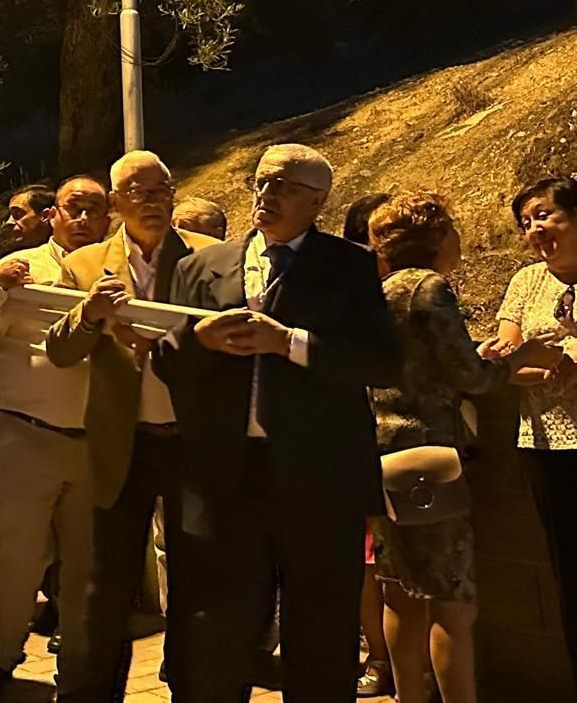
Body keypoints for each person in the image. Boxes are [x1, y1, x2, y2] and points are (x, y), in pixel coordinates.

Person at [156, 143, 401, 703]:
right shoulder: (200, 267)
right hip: (226, 477)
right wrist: (199, 339)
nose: (266, 196)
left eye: (285, 187)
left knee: (321, 628)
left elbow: (380, 361)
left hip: (319, 477)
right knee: (220, 625)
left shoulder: (348, 266)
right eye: (262, 183)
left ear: (317, 202)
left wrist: (288, 343)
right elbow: (166, 361)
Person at [46, 152, 218, 702]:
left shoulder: (211, 258)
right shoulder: (85, 265)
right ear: (116, 203)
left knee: (196, 579)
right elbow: (61, 351)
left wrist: (169, 346)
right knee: (107, 584)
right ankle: (92, 692)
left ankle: (192, 686)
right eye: (139, 192)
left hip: (193, 441)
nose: (154, 202)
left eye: (163, 190)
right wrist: (90, 315)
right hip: (123, 443)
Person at [367, 193, 533, 703]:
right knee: (452, 601)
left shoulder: (377, 291)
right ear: (437, 236)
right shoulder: (429, 287)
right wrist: (517, 360)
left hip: (381, 453)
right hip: (430, 455)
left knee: (400, 593)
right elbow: (469, 376)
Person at [0, 174, 111, 695]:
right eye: (74, 207)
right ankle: (3, 658)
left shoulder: (117, 273)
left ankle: (75, 671)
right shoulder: (23, 269)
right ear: (53, 215)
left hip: (95, 444)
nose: (84, 218)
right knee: (21, 561)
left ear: (108, 217)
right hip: (26, 435)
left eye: (95, 209)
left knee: (83, 570)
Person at [484, 175, 577, 661]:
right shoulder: (526, 281)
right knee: (570, 571)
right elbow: (508, 361)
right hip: (549, 447)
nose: (535, 229)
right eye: (526, 222)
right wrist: (533, 364)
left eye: (544, 215)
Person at [343, 191, 395, 698]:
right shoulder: (345, 294)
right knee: (368, 562)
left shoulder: (416, 290)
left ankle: (405, 661)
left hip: (406, 443)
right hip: (357, 440)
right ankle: (379, 657)